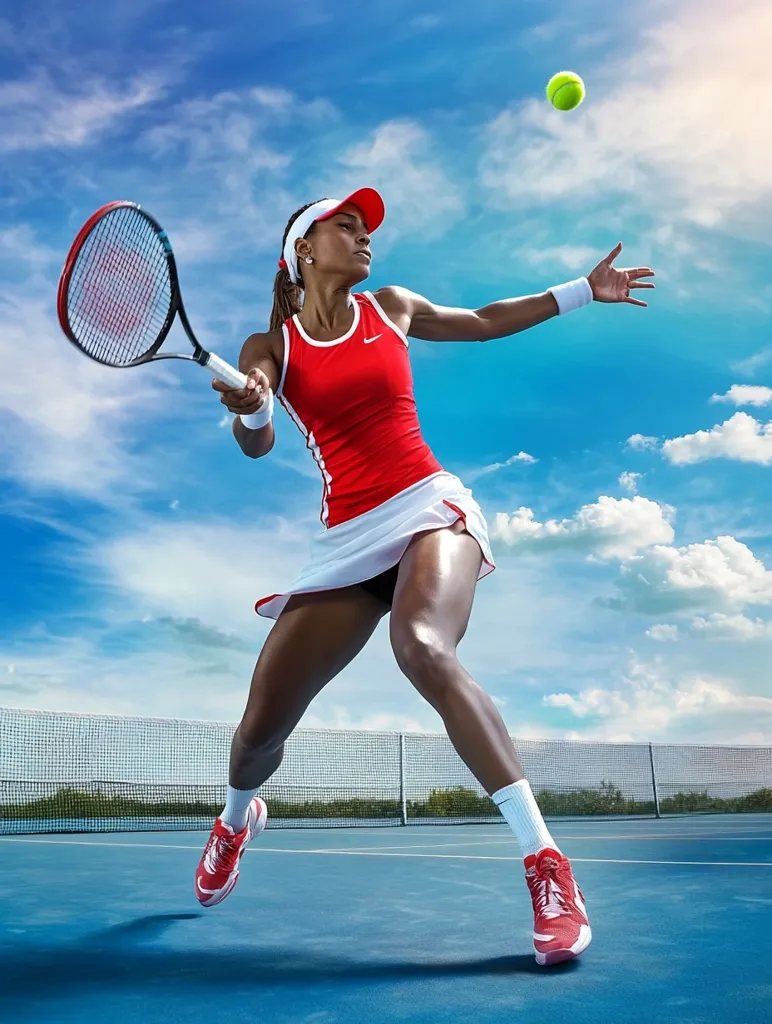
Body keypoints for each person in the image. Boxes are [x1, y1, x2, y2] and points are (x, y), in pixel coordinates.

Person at [194, 187, 655, 966]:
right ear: (302, 250)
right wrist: (251, 406)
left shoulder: (392, 307)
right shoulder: (269, 344)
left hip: (426, 503)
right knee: (257, 731)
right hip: (346, 540)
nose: (364, 235)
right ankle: (236, 820)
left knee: (422, 646)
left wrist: (583, 290)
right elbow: (259, 438)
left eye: (365, 225)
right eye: (345, 225)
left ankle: (548, 868)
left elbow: (480, 322)